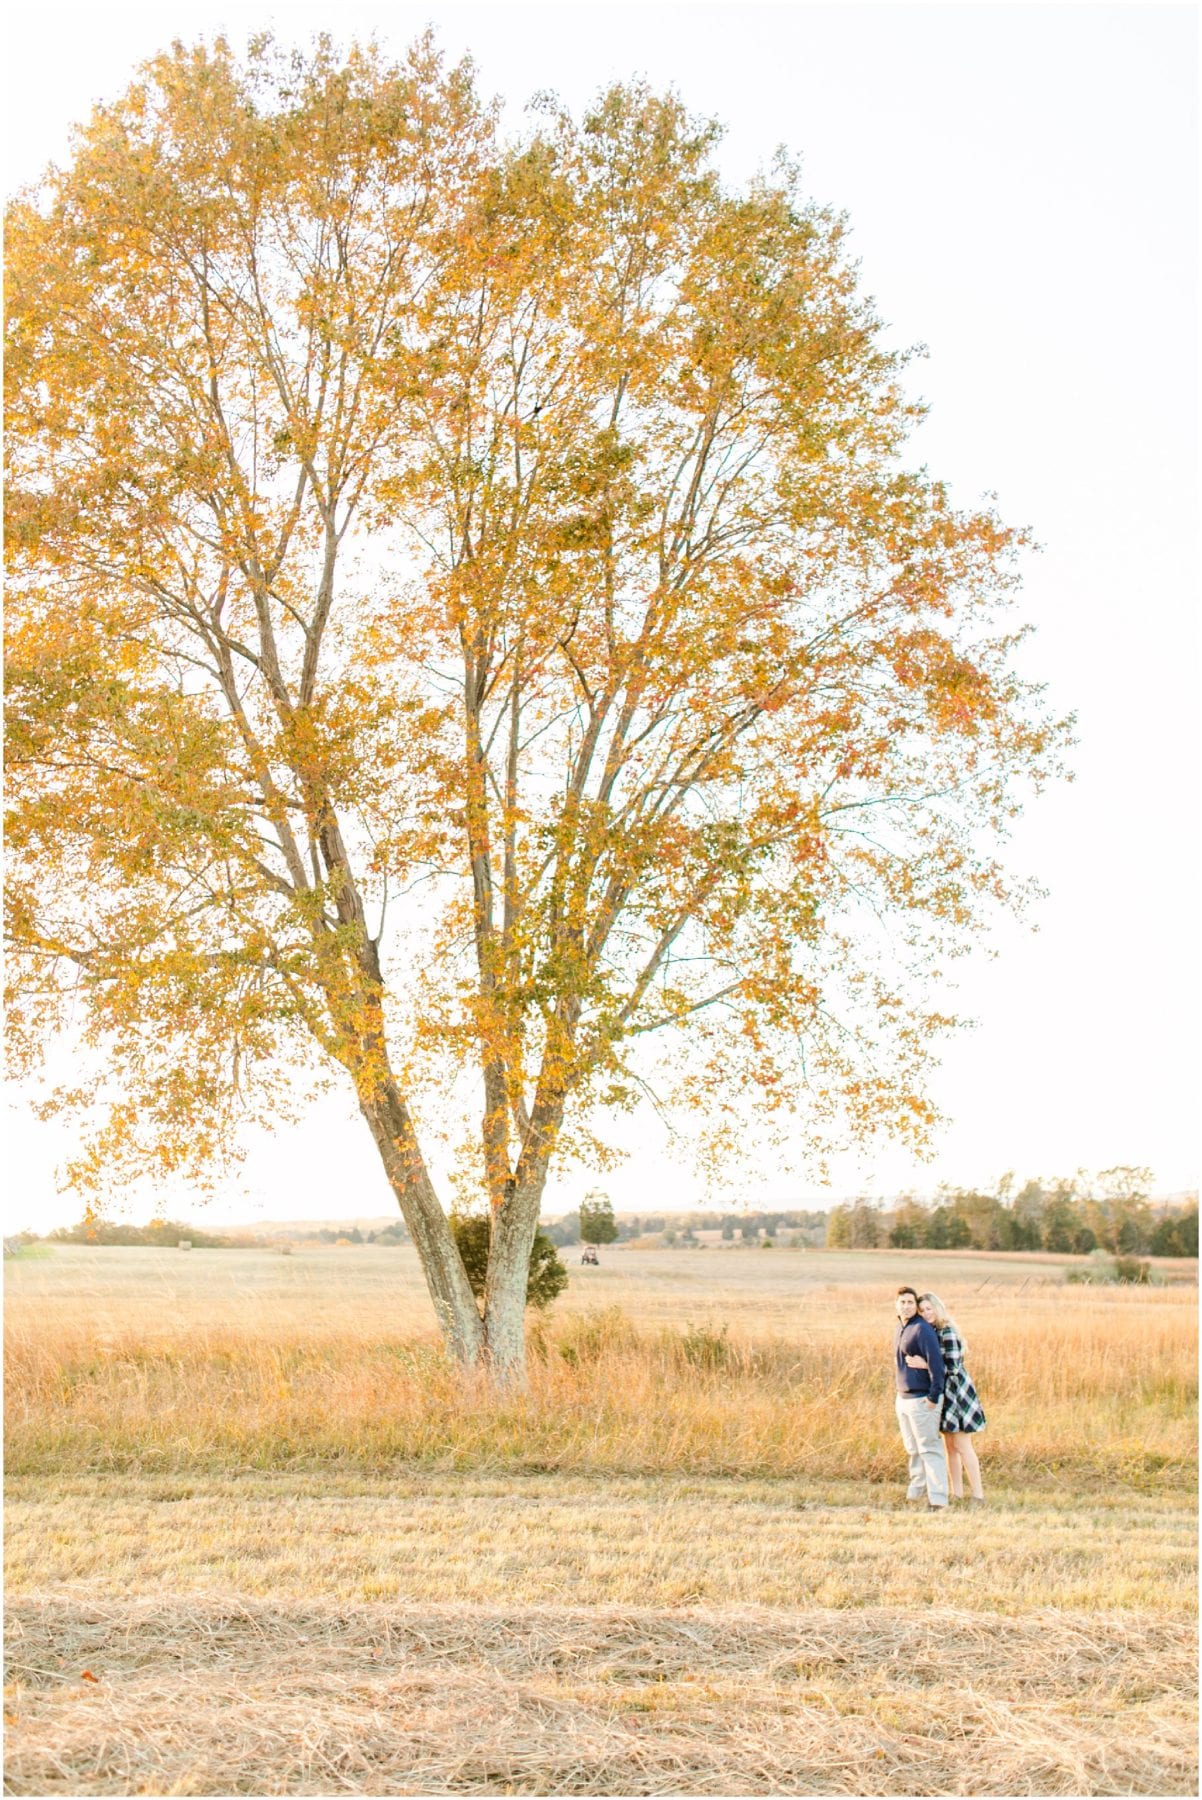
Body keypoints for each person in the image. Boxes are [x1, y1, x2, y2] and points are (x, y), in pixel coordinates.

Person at [907, 1292, 987, 1505]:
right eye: (922, 1310)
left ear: (937, 1308)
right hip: (945, 1393)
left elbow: (952, 1367)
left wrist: (926, 1365)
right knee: (949, 1447)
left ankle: (978, 1495)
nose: (926, 1314)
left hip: (957, 1392)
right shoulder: (932, 1331)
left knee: (962, 1444)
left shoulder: (947, 1331)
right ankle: (957, 1493)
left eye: (929, 1309)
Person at [893, 1285, 948, 1509]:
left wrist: (934, 1396)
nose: (906, 1306)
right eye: (902, 1302)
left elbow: (937, 1364)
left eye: (910, 1303)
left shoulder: (922, 1329)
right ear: (896, 1305)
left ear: (915, 1306)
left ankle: (939, 1499)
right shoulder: (899, 1328)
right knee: (913, 1449)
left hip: (923, 1398)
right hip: (903, 1398)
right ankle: (915, 1493)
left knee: (929, 1448)